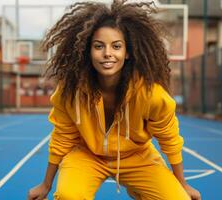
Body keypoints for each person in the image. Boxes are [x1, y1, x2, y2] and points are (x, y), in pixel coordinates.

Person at [28, 0, 201, 199]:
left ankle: (139, 188)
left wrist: (182, 184)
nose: (108, 53)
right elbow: (62, 137)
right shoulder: (70, 91)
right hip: (86, 154)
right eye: (99, 46)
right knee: (68, 195)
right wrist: (46, 184)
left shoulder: (151, 94)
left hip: (136, 156)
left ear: (127, 52)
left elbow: (169, 139)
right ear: (88, 51)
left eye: (116, 46)